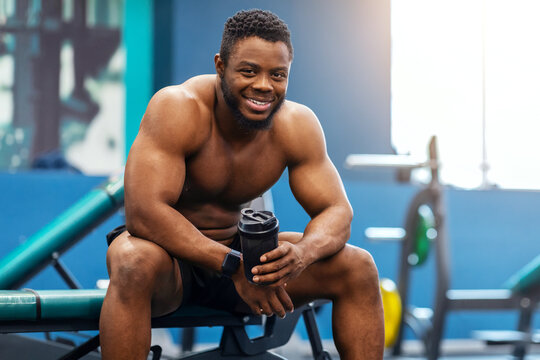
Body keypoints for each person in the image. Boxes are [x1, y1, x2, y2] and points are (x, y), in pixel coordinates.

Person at [99, 9, 384, 360]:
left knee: (358, 267)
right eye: (249, 71)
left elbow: (337, 211)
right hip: (170, 264)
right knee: (131, 260)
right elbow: (144, 215)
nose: (264, 86)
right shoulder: (177, 108)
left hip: (241, 260)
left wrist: (301, 255)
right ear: (220, 66)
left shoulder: (297, 125)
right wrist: (232, 265)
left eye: (277, 75)